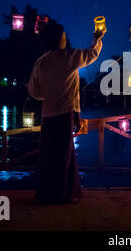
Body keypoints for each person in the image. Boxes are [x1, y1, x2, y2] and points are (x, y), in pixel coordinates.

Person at [28, 20, 104, 204]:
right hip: (64, 114)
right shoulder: (69, 57)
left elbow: (33, 90)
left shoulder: (41, 61)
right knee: (64, 155)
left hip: (48, 114)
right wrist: (97, 39)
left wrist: (47, 96)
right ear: (57, 39)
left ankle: (47, 193)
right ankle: (62, 195)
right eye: (63, 36)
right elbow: (92, 54)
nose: (65, 39)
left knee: (48, 155)